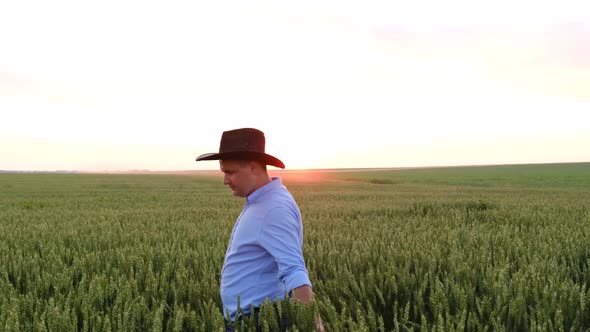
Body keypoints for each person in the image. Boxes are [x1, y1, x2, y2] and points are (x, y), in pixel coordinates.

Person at [195, 128, 324, 332]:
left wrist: (315, 326)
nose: (225, 180)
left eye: (230, 172)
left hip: (257, 322)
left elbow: (294, 269)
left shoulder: (273, 209)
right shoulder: (264, 200)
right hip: (251, 319)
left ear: (254, 168)